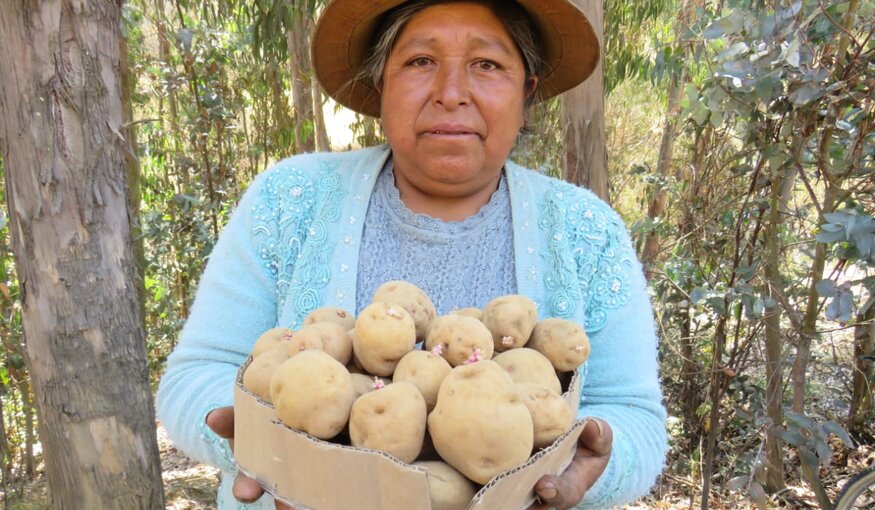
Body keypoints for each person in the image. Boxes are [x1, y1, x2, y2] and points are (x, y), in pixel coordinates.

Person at [156, 0, 668, 508]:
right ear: (382, 85)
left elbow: (634, 418)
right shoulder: (290, 198)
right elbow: (195, 376)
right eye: (420, 61)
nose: (451, 94)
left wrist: (580, 473)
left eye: (486, 64)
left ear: (526, 92)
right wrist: (275, 455)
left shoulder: (586, 229)